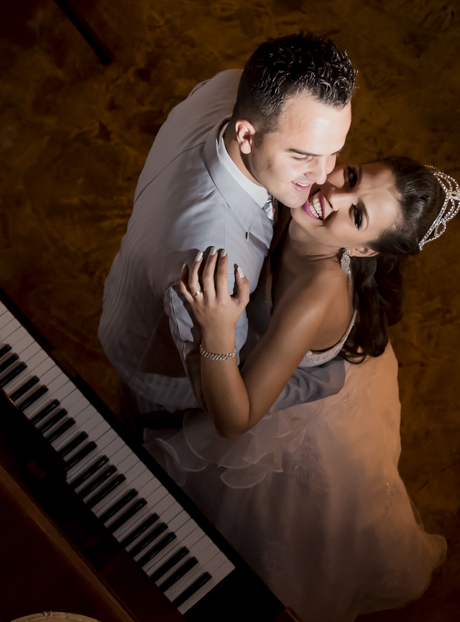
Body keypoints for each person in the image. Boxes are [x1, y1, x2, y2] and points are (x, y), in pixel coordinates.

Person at [146, 156, 460, 622]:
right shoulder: (303, 205)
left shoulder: (318, 294)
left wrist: (219, 337)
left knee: (285, 534)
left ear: (362, 250)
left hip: (300, 417)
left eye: (356, 214)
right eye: (354, 177)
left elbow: (235, 421)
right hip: (312, 369)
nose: (332, 197)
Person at [99, 33, 357, 434]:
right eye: (303, 155)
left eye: (334, 151)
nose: (322, 176)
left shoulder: (231, 84)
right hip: (157, 377)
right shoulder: (213, 261)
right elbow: (212, 394)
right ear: (246, 135)